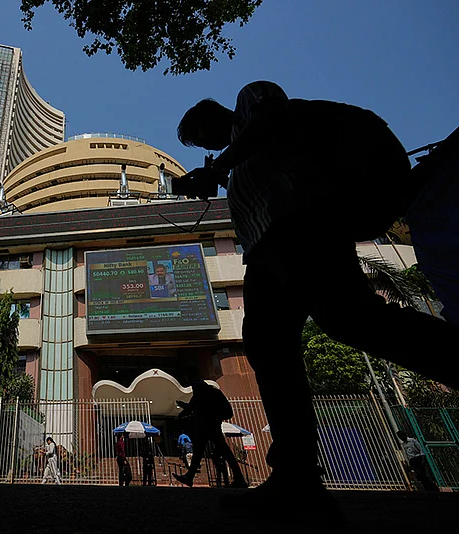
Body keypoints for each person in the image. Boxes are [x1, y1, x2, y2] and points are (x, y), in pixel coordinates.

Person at [175, 81, 459, 517]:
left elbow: (274, 119)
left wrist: (218, 169)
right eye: (198, 145)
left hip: (302, 228)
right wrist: (221, 175)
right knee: (273, 345)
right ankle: (296, 478)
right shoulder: (240, 161)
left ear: (212, 113)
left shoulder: (251, 102)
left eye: (198, 135)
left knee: (351, 320)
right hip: (266, 253)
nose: (205, 146)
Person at [173, 381, 247, 489]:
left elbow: (192, 407)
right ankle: (189, 476)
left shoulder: (208, 394)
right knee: (203, 451)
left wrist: (214, 418)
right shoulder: (205, 394)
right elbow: (191, 407)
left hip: (211, 427)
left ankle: (239, 478)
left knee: (222, 451)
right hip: (207, 427)